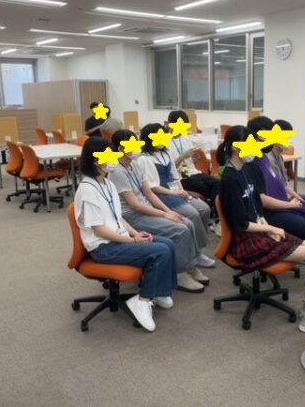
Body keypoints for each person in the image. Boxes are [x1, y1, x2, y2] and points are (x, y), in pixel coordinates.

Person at [217, 125, 305, 335]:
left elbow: (257, 209)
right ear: (235, 147)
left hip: (260, 230)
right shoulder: (230, 179)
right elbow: (240, 224)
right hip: (246, 241)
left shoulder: (247, 171)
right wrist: (270, 228)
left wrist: (267, 227)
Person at [74, 138, 177, 332]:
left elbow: (118, 217)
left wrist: (137, 234)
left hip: (118, 238)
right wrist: (132, 240)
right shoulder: (87, 190)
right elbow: (99, 230)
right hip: (104, 247)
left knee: (168, 244)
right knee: (160, 251)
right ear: (96, 160)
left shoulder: (107, 183)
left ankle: (158, 291)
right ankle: (143, 300)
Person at [109, 129, 210, 293]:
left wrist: (167, 211)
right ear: (120, 149)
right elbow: (135, 205)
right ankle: (180, 274)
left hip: (146, 210)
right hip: (132, 217)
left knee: (187, 222)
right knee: (180, 230)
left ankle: (190, 266)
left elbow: (148, 193)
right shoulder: (117, 171)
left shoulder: (135, 165)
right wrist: (164, 214)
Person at [246, 116, 305, 278]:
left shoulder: (262, 158)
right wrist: (290, 205)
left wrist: (296, 201)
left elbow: (281, 184)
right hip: (268, 214)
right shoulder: (253, 162)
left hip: (279, 206)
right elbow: (262, 200)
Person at [138, 123, 215, 268]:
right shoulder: (145, 159)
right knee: (192, 214)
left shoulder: (165, 153)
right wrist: (174, 192)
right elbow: (152, 187)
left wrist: (182, 191)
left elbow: (175, 176)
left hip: (175, 191)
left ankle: (199, 248)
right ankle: (196, 254)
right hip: (161, 194)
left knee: (204, 209)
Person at [167, 110, 221, 206]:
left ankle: (216, 210)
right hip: (181, 178)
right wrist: (183, 156)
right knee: (211, 188)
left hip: (193, 173)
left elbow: (192, 164)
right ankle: (216, 210)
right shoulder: (166, 143)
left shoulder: (185, 139)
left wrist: (196, 158)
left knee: (218, 183)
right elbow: (170, 169)